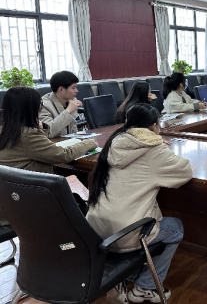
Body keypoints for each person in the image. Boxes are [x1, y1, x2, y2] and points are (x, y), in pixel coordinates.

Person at [87, 103, 193, 304]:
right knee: (176, 228)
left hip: (96, 230)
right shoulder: (153, 151)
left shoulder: (114, 143)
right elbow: (185, 172)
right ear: (154, 126)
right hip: (125, 233)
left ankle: (123, 276)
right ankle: (145, 287)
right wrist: (159, 146)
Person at [0, 86, 97, 226]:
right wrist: (88, 143)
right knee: (78, 198)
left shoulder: (6, 130)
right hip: (26, 205)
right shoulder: (27, 135)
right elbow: (64, 155)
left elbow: (38, 148)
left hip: (9, 201)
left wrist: (38, 127)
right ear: (31, 109)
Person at [39, 70, 82, 138]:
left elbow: (73, 129)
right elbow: (48, 132)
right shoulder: (44, 105)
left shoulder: (71, 101)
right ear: (61, 89)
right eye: (73, 88)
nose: (76, 91)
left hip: (68, 141)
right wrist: (68, 111)